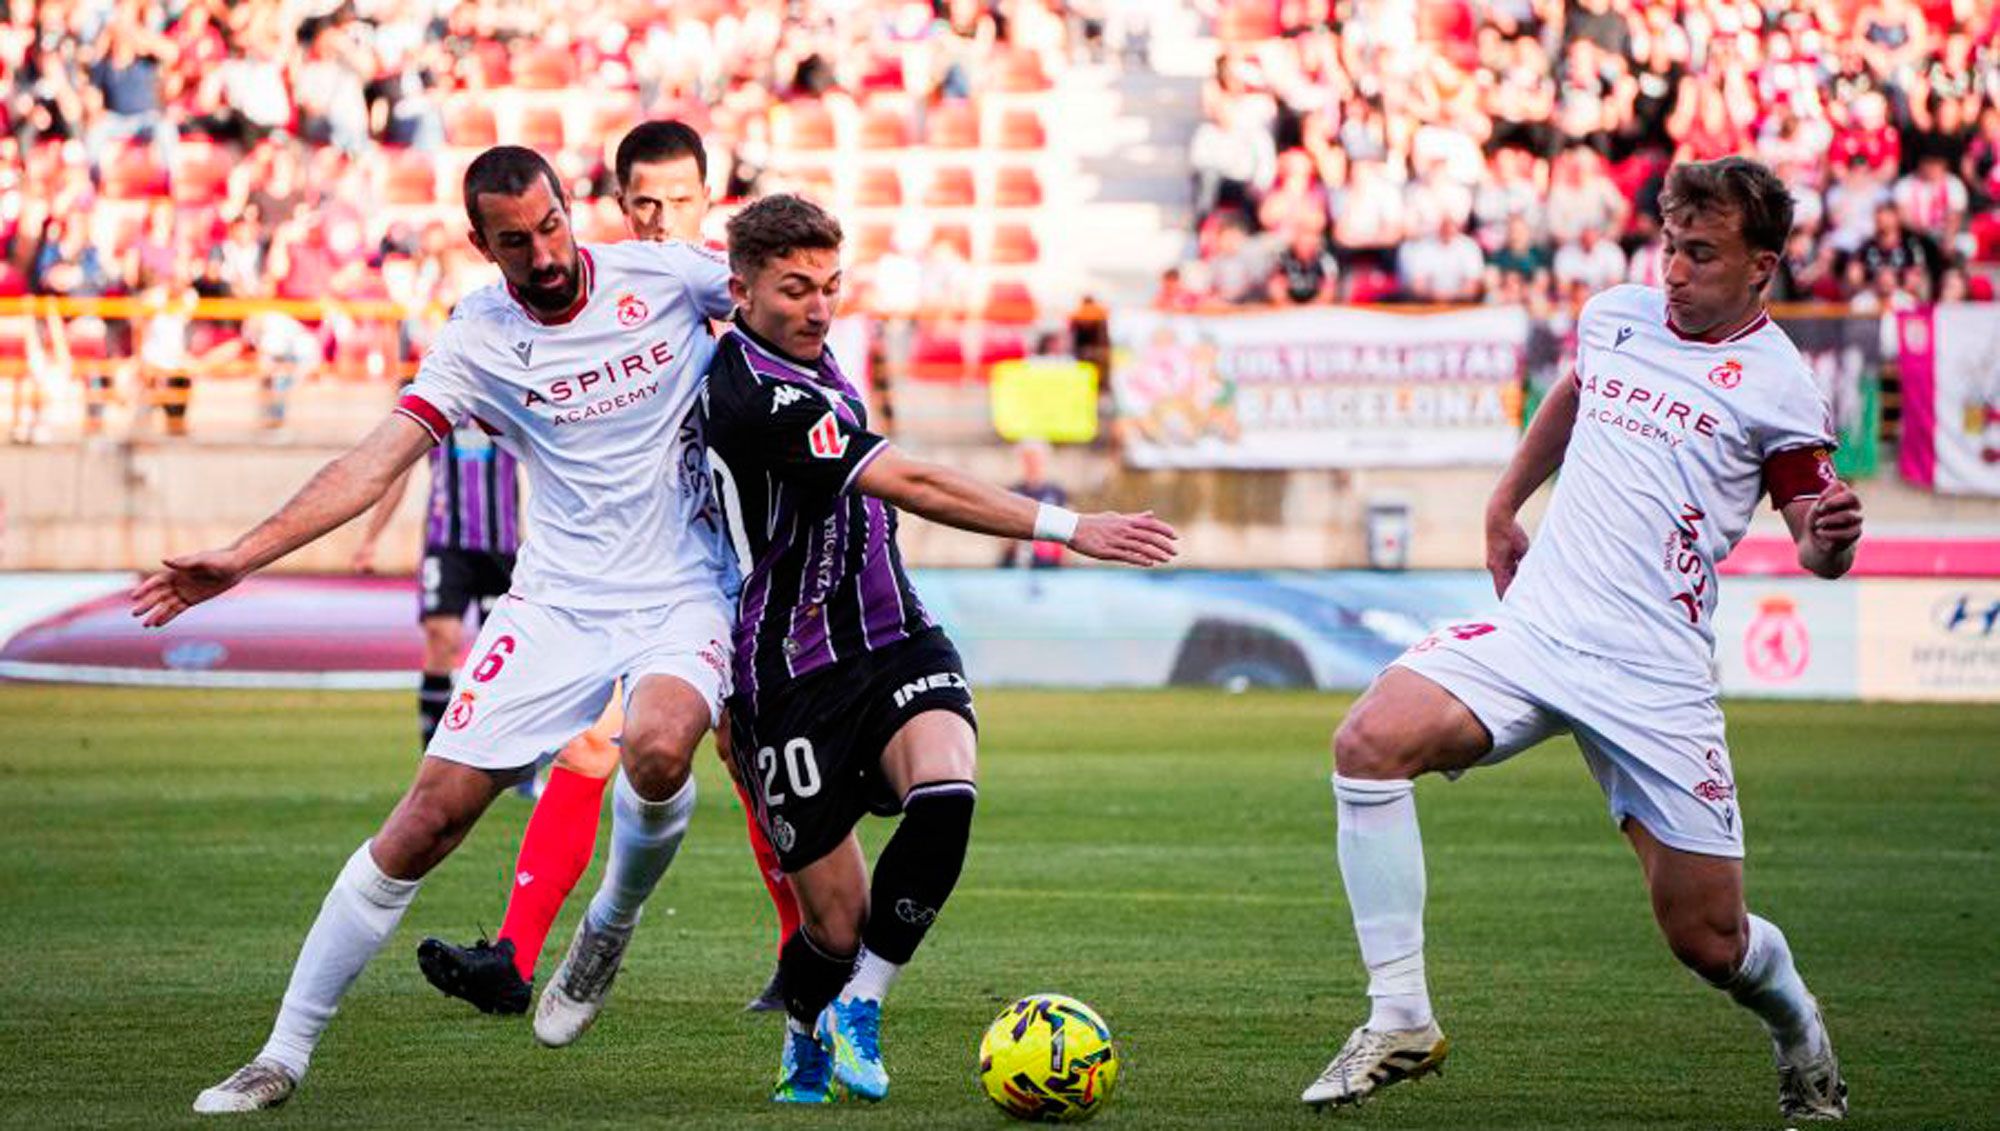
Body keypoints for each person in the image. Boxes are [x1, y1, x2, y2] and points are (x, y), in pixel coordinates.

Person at [136, 144, 740, 1113]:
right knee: (424, 820)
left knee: (660, 748)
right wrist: (243, 556)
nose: (544, 254)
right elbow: (373, 463)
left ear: (569, 208)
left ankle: (610, 921)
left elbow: (788, 302)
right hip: (556, 602)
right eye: (516, 242)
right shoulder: (479, 336)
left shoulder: (665, 275)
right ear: (481, 244)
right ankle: (281, 1054)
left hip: (682, 590)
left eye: (550, 227)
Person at [1300, 157, 1863, 1123]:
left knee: (1709, 940)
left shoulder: (1780, 386)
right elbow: (1575, 392)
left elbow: (1814, 534)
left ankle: (1798, 1026)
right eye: (1668, 247)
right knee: (1368, 742)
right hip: (1539, 626)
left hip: (1654, 675)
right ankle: (1400, 1016)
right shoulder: (1617, 317)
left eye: (1700, 254)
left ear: (1761, 267)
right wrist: (1504, 501)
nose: (1673, 271)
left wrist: (1831, 539)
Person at [702, 194, 1178, 1104]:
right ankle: (809, 1022)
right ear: (742, 292)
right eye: (796, 289)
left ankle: (862, 1003)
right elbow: (913, 480)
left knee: (948, 787)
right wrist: (1068, 525)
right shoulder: (754, 396)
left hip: (895, 633)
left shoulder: (807, 352)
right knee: (834, 926)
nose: (819, 306)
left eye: (831, 286)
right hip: (792, 672)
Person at [413, 120, 803, 1018]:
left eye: (680, 201)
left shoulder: (729, 296)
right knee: (593, 741)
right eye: (645, 204)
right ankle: (514, 952)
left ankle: (803, 946)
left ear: (710, 201)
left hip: (743, 560)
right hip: (638, 578)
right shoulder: (626, 294)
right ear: (620, 206)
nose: (662, 219)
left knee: (748, 753)